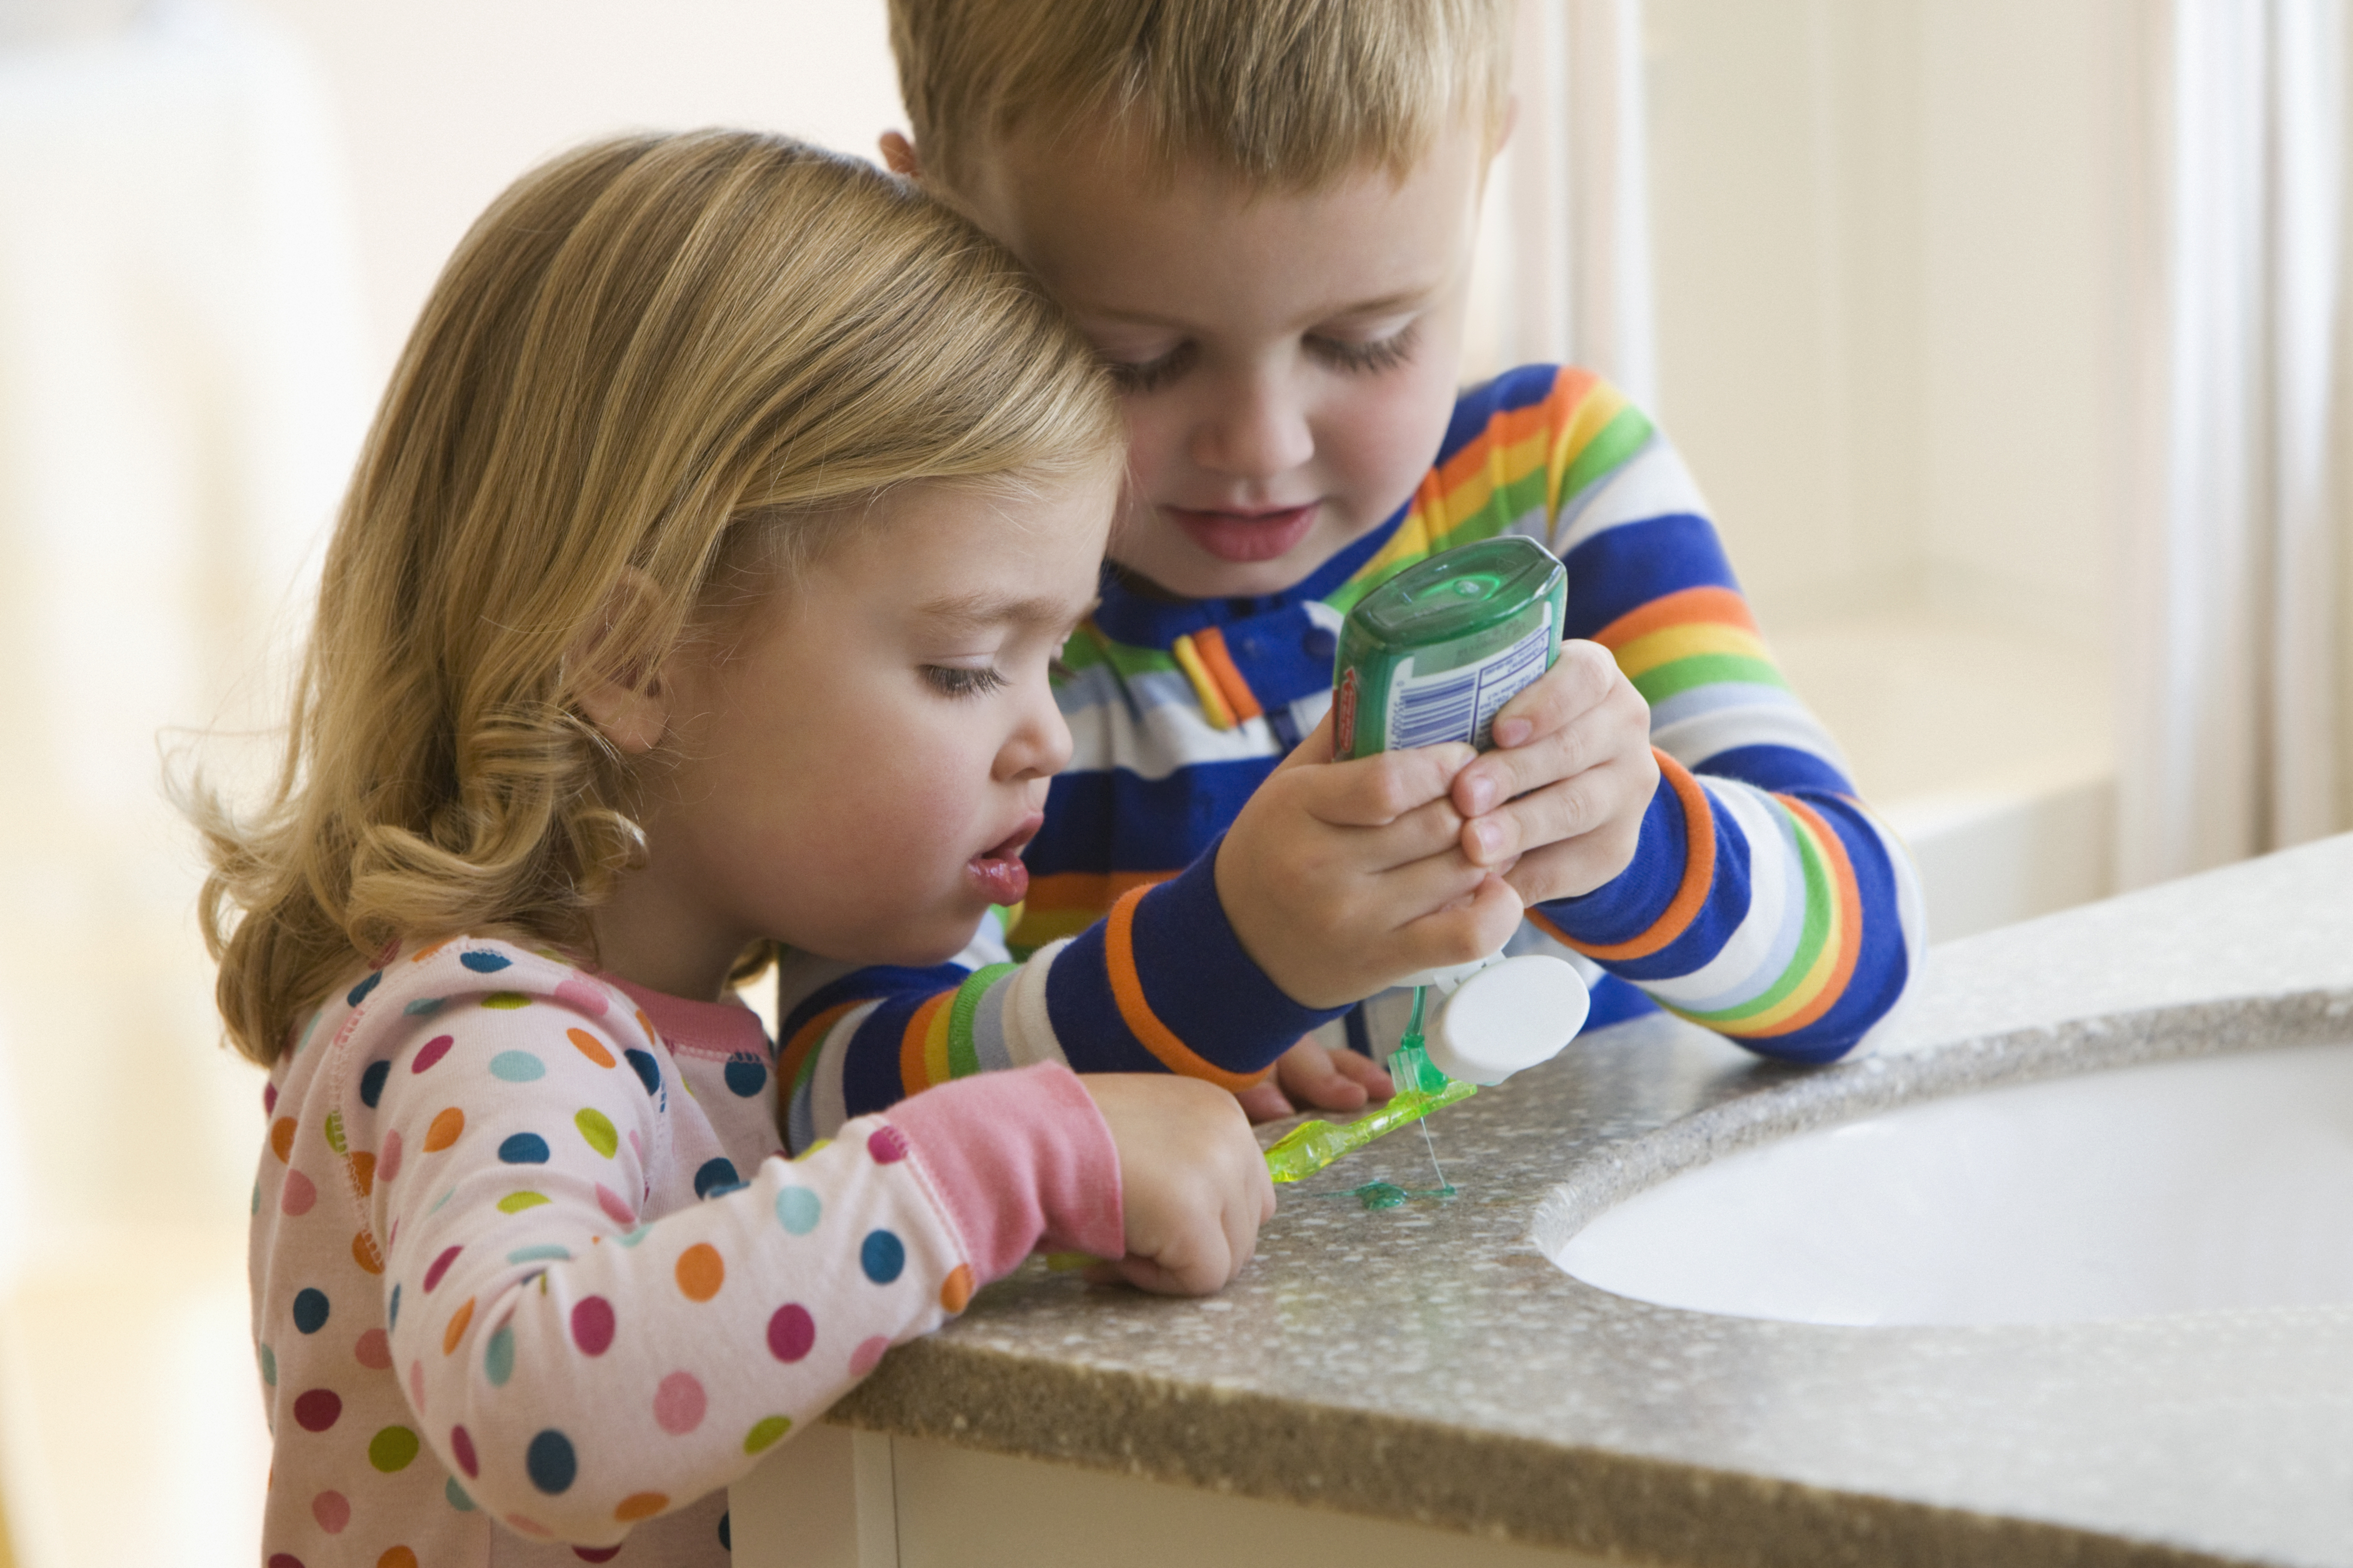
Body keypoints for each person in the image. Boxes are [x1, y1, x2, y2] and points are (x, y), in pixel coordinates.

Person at [193, 129, 1284, 1567]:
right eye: (965, 667)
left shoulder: (656, 1033)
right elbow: (544, 1405)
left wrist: (1099, 1151)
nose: (1048, 743)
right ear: (634, 661)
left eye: (1056, 655)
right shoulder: (501, 1033)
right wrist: (994, 1159)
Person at [766, 0, 1925, 1135]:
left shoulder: (1552, 484)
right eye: (1136, 358)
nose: (1263, 447)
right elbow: (829, 1110)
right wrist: (1222, 964)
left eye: (1361, 341)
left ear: (1483, 172)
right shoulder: (939, 614)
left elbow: (1870, 949)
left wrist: (1638, 843)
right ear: (940, 231)